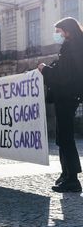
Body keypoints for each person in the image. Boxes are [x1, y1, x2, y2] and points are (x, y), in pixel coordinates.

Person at [38, 17, 83, 193]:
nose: (57, 35)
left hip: (67, 96)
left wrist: (45, 70)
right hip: (67, 97)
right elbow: (63, 68)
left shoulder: (72, 47)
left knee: (66, 137)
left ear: (68, 31)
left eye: (59, 31)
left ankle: (72, 179)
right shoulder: (74, 46)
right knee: (61, 136)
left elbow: (63, 75)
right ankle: (66, 174)